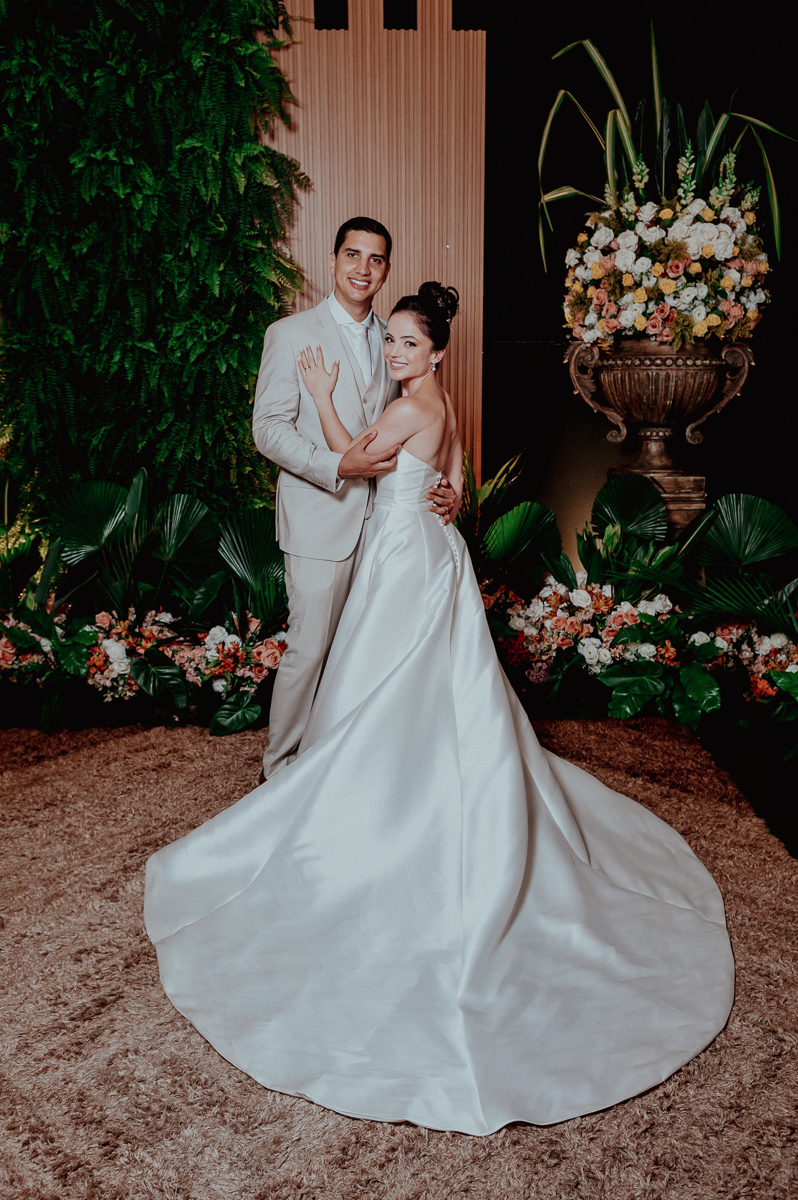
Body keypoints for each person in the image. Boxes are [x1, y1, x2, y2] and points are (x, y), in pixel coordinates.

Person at [145, 283, 734, 1137]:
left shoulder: (413, 404)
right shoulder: (442, 404)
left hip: (401, 558)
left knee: (386, 683)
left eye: (407, 346)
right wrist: (451, 493)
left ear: (435, 355)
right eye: (389, 343)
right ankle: (420, 780)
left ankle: (386, 808)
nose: (393, 355)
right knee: (428, 686)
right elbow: (450, 481)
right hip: (428, 551)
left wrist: (318, 397)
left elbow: (360, 458)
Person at [251, 217, 455, 781]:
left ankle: (342, 768)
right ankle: (279, 771)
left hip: (390, 528)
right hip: (322, 517)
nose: (363, 268)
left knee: (363, 658)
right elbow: (267, 429)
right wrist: (335, 465)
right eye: (353, 254)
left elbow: (431, 423)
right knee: (310, 650)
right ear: (334, 258)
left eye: (376, 258)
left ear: (387, 268)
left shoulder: (396, 336)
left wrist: (449, 490)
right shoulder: (289, 334)